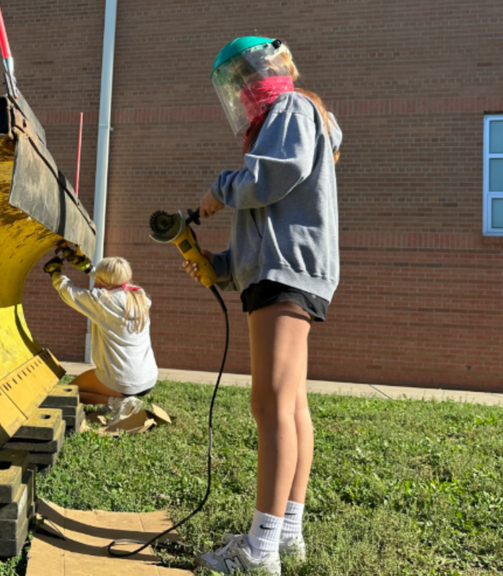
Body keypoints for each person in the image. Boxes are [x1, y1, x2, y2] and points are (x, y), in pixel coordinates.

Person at [186, 36, 342, 575]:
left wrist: (219, 189)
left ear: (270, 70)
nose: (242, 91)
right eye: (235, 85)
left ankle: (259, 550)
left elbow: (273, 177)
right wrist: (221, 266)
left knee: (270, 405)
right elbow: (267, 224)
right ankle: (287, 534)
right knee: (290, 405)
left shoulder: (292, 108)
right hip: (282, 272)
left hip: (286, 275)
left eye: (245, 79)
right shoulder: (281, 122)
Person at [42, 247, 158, 426]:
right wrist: (87, 268)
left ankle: (120, 403)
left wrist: (55, 273)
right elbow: (112, 281)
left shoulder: (102, 300)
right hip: (147, 377)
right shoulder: (139, 296)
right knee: (79, 389)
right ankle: (120, 401)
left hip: (122, 379)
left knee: (68, 392)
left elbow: (68, 292)